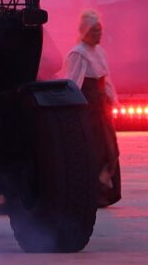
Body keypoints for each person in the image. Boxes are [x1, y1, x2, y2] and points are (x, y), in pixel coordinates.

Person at [61, 11, 120, 209]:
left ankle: (104, 190)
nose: (99, 35)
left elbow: (106, 79)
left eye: (100, 30)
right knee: (92, 151)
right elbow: (73, 83)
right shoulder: (78, 54)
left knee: (110, 149)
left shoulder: (100, 52)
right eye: (95, 31)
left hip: (101, 110)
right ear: (86, 31)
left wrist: (112, 99)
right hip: (88, 112)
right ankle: (93, 192)